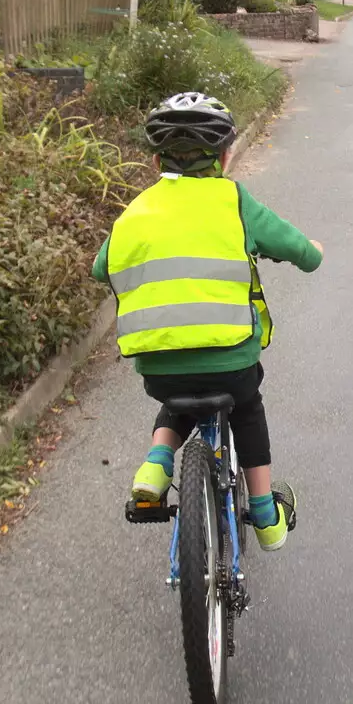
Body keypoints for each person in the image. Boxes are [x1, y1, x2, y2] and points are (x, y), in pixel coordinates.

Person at [91, 92, 323, 551]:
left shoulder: (136, 209)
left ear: (157, 159)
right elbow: (302, 253)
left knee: (180, 398)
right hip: (231, 364)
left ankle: (155, 466)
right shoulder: (233, 200)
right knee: (247, 405)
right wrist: (313, 250)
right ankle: (265, 514)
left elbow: (102, 267)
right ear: (225, 156)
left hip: (158, 368)